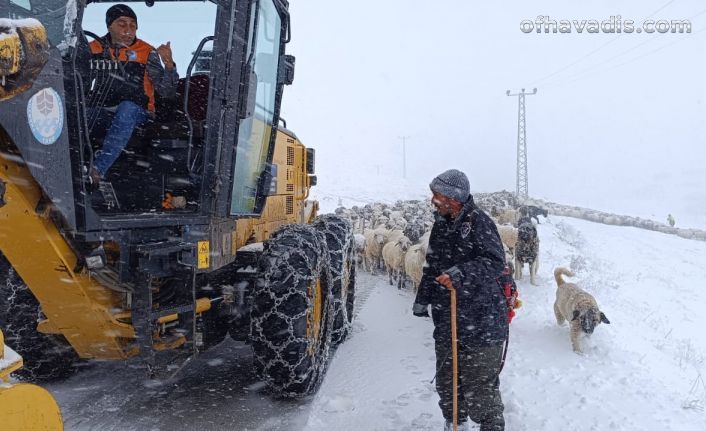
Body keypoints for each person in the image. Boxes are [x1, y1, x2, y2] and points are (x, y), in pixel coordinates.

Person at [412, 169, 508, 431]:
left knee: (479, 385)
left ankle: (491, 426)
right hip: (449, 318)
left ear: (454, 198)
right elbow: (432, 263)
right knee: (448, 379)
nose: (433, 199)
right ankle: (455, 422)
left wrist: (461, 273)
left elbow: (495, 262)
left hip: (481, 320)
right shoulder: (441, 224)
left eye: (437, 195)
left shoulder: (480, 223)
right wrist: (423, 297)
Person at [86, 4, 178, 185]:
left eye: (133, 25)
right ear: (109, 25)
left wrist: (169, 66)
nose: (128, 30)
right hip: (102, 110)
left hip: (139, 112)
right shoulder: (92, 49)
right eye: (122, 24)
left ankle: (97, 170)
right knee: (75, 114)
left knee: (126, 108)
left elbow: (166, 91)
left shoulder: (146, 52)